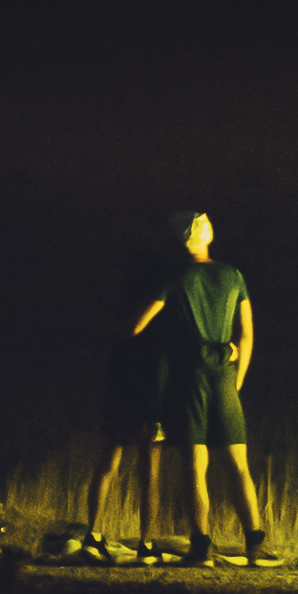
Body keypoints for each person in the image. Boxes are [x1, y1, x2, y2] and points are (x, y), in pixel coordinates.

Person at [127, 210, 272, 567]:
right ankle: (256, 544)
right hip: (224, 374)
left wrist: (168, 341)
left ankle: (201, 547)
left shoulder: (174, 277)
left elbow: (136, 326)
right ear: (200, 235)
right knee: (239, 464)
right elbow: (248, 334)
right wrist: (237, 377)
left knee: (196, 465)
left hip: (189, 377)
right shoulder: (232, 274)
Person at [70, 229, 176, 561]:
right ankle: (145, 543)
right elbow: (138, 331)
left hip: (120, 386)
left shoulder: (122, 302)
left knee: (109, 461)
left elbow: (122, 334)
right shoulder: (160, 299)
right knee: (149, 470)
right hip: (148, 387)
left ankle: (94, 533)